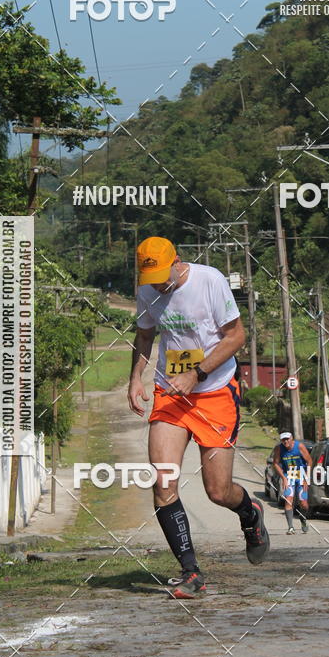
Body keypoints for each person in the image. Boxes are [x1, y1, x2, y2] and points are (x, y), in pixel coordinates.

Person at [127, 236, 270, 599]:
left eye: (163, 276)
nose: (159, 285)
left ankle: (249, 513)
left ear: (177, 261)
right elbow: (145, 335)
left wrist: (198, 373)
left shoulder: (210, 280)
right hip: (170, 391)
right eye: (151, 279)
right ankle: (191, 572)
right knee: (163, 483)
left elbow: (236, 337)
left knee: (218, 491)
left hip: (215, 391)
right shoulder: (147, 289)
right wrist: (135, 378)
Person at [272, 431, 312, 534]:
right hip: (289, 474)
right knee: (288, 500)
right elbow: (275, 463)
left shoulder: (299, 446)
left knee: (303, 503)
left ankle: (303, 518)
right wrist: (283, 478)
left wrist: (306, 478)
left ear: (292, 438)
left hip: (301, 473)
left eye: (287, 439)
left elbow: (309, 461)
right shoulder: (279, 448)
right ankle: (290, 527)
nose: (285, 442)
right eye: (283, 440)